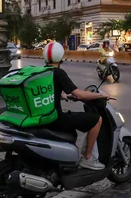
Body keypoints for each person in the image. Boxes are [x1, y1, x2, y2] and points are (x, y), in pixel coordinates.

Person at [43, 42, 109, 170]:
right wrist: (100, 95)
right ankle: (88, 158)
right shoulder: (58, 72)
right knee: (97, 120)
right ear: (60, 56)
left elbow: (49, 91)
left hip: (44, 116)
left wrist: (62, 96)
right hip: (56, 118)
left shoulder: (42, 72)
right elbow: (79, 95)